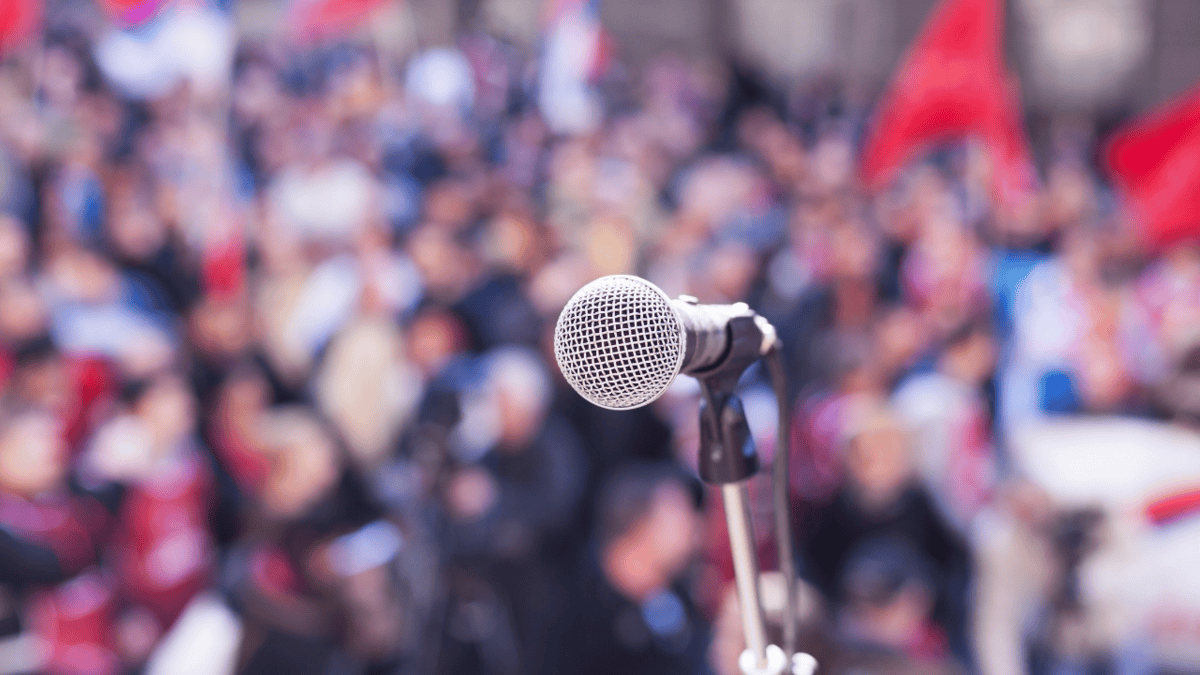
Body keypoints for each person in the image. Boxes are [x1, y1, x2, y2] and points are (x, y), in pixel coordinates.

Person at [556, 464, 711, 675]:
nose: (694, 525)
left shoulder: (681, 595)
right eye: (679, 514)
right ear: (639, 526)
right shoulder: (576, 615)